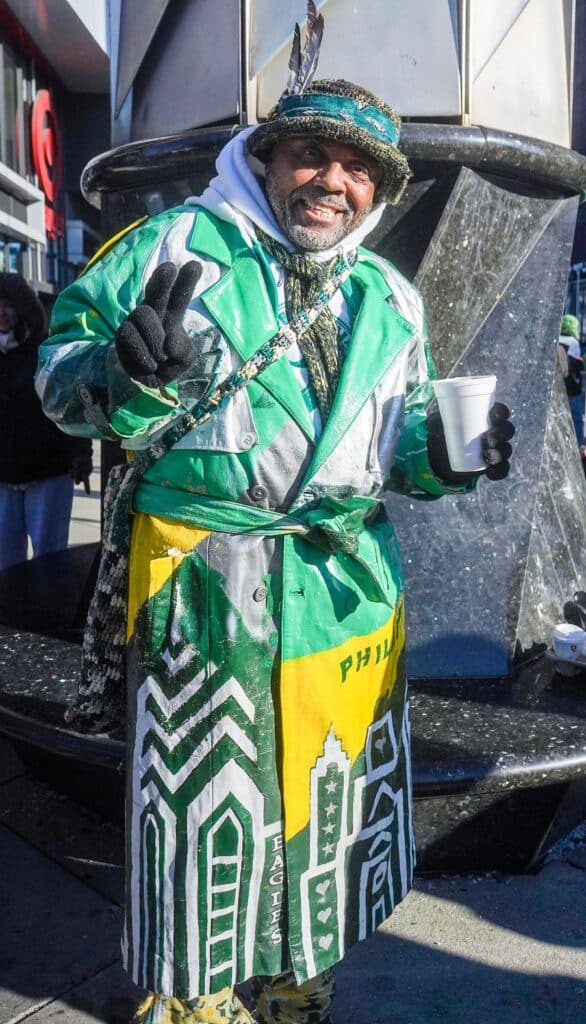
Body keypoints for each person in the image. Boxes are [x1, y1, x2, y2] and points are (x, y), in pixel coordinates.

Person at [35, 8, 514, 1023]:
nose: (330, 182)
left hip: (346, 598)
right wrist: (119, 374)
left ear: (377, 191)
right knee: (206, 805)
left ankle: (298, 974)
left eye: (355, 169)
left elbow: (401, 443)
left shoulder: (389, 297)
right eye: (310, 155)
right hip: (210, 582)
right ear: (268, 159)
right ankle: (193, 994)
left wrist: (446, 451)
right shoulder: (175, 243)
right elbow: (59, 375)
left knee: (328, 808)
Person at [0, 272, 92, 571]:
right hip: (3, 478)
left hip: (49, 473)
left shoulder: (47, 350)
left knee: (49, 563)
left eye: (8, 305)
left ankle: (46, 617)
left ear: (23, 308)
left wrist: (81, 453)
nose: (2, 313)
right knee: (6, 567)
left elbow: (70, 402)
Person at [558, 313, 584, 446]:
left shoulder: (557, 338)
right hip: (572, 388)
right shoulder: (573, 342)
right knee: (576, 419)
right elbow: (577, 363)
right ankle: (578, 446)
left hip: (558, 388)